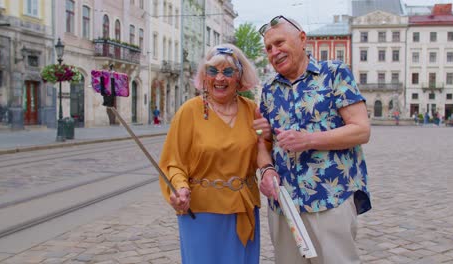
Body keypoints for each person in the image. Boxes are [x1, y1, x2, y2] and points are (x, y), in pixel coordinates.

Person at [253, 16, 372, 264]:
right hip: (285, 205)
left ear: (302, 39)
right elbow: (263, 144)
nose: (274, 52)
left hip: (330, 198)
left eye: (279, 43)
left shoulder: (334, 73)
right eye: (268, 48)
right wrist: (266, 169)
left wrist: (308, 140)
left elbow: (361, 130)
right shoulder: (269, 89)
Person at [158, 43, 262, 264]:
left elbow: (261, 157)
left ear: (240, 76)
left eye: (228, 72)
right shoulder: (189, 111)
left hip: (242, 209)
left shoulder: (252, 111)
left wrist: (269, 137)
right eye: (212, 71)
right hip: (201, 211)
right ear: (204, 77)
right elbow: (173, 163)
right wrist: (180, 188)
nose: (219, 78)